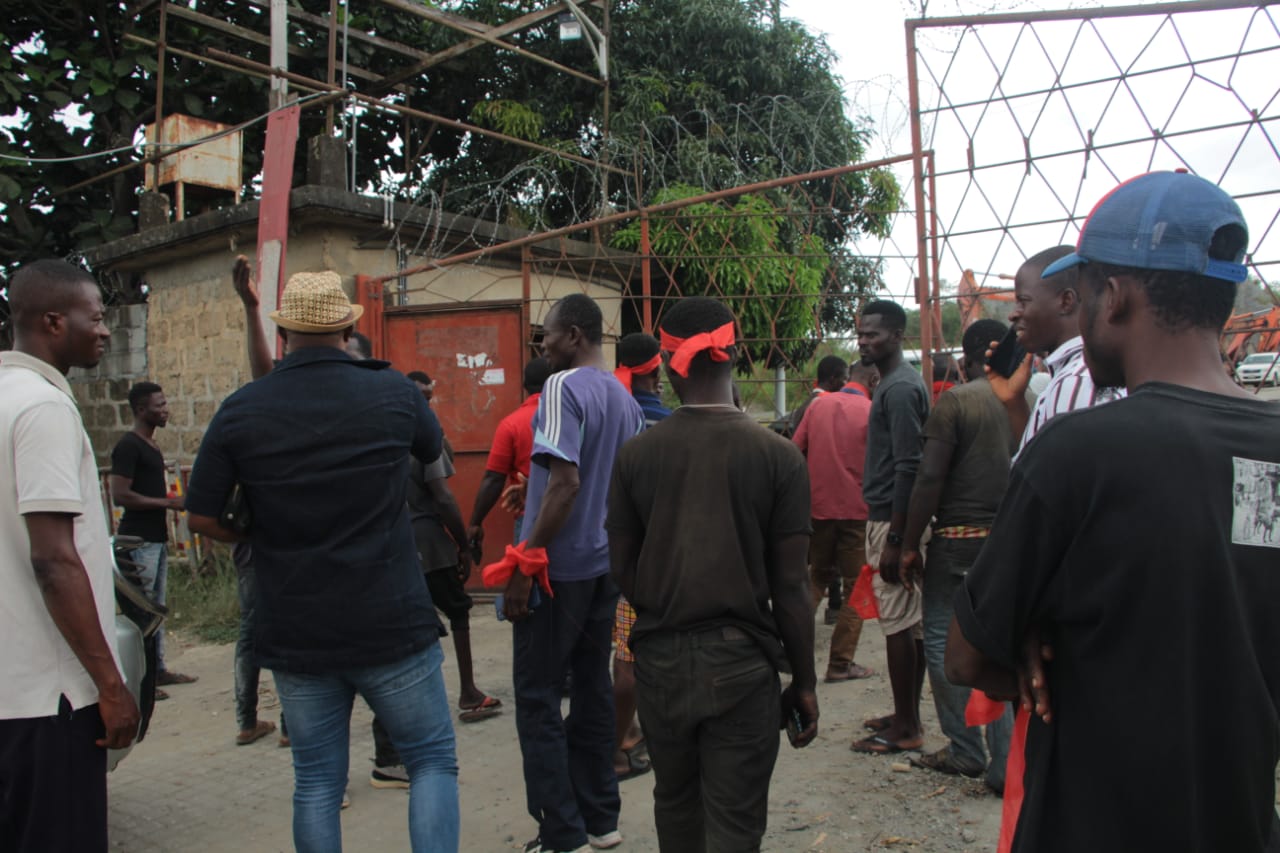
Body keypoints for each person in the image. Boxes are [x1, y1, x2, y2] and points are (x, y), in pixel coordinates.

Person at [946, 171, 1280, 852]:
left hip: (1094, 824)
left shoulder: (1078, 453)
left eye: (1087, 291)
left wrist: (1045, 641)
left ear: (1116, 297)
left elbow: (965, 655)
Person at [185, 270, 459, 853]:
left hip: (296, 628)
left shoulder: (242, 409)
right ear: (347, 327)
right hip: (391, 621)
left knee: (315, 781)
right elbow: (431, 449)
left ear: (282, 331)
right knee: (432, 760)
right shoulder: (393, 391)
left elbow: (201, 517)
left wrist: (249, 533)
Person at [607, 296, 818, 852]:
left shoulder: (636, 455)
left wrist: (667, 605)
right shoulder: (778, 458)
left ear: (666, 361)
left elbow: (622, 569)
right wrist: (805, 681)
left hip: (659, 662)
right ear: (735, 352)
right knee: (735, 824)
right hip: (742, 664)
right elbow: (793, 587)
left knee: (676, 808)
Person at [488, 293, 643, 853]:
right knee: (594, 689)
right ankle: (602, 820)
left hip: (558, 573)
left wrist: (526, 561)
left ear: (574, 334)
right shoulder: (623, 399)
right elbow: (611, 485)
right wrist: (532, 493)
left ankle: (560, 833)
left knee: (536, 697)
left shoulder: (559, 387)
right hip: (603, 568)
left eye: (547, 335)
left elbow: (569, 483)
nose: (543, 345)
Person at [0, 259, 140, 852]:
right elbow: (54, 560)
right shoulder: (43, 410)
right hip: (49, 698)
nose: (105, 330)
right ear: (54, 322)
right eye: (98, 316)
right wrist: (111, 686)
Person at [370, 371, 501, 790]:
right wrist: (463, 543)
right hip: (425, 539)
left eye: (429, 395)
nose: (427, 403)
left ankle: (393, 733)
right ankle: (466, 692)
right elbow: (443, 497)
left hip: (392, 543)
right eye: (421, 396)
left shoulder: (380, 436)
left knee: (406, 627)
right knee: (456, 609)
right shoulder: (425, 439)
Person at [899, 319, 1013, 789]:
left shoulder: (958, 401)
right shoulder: (1032, 397)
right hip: (1009, 541)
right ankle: (1007, 762)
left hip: (959, 539)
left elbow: (929, 479)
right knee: (1003, 647)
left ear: (968, 357)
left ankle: (965, 749)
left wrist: (908, 544)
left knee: (944, 639)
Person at [851, 299, 931, 755]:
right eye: (861, 334)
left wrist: (897, 540)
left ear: (898, 335)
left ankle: (906, 728)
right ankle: (907, 715)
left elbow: (908, 466)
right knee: (910, 623)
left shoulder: (899, 389)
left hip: (890, 518)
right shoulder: (892, 384)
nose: (864, 341)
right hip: (889, 516)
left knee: (898, 624)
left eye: (874, 335)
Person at [608, 332, 671, 782]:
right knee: (647, 655)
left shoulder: (608, 415)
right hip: (664, 557)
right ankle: (619, 745)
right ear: (657, 371)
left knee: (624, 653)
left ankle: (623, 736)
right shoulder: (669, 425)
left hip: (615, 553)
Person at [990, 245, 1125, 453]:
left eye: (1023, 302)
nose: (1013, 315)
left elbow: (1061, 482)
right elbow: (1039, 461)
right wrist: (1013, 402)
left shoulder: (1076, 382)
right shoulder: (1073, 374)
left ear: (1066, 302)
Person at [792, 356, 875, 683]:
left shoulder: (817, 407)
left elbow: (794, 450)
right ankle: (840, 662)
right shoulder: (871, 412)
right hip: (857, 513)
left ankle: (787, 647)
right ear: (872, 382)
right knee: (857, 588)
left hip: (818, 508)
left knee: (816, 578)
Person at [109, 381, 194, 695]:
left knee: (156, 608)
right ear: (141, 410)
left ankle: (157, 670)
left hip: (155, 539)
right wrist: (168, 503)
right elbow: (120, 494)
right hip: (138, 540)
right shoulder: (129, 446)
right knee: (142, 610)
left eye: (165, 404)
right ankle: (143, 679)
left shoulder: (152, 446)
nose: (165, 409)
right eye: (159, 405)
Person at [469, 358, 552, 551]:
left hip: (528, 518)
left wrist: (475, 522)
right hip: (568, 513)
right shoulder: (569, 418)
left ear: (524, 386)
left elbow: (493, 479)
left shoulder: (511, 424)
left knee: (528, 574)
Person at [786, 354, 847, 436]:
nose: (846, 384)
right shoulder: (824, 404)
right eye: (844, 379)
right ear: (832, 380)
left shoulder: (807, 403)